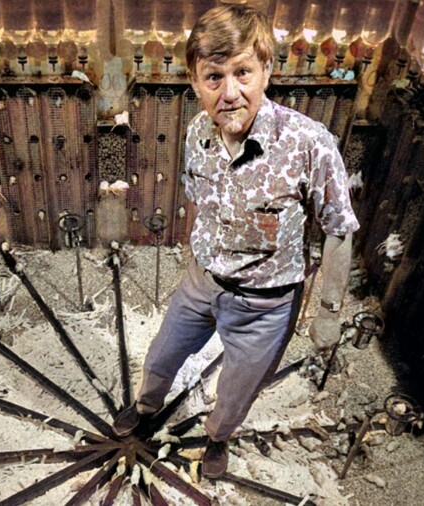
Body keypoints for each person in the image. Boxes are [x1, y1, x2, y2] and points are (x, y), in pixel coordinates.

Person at [112, 4, 359, 478]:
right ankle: (145, 410)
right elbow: (199, 198)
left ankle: (217, 438)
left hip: (265, 304)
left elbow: (339, 228)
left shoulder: (309, 143)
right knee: (161, 356)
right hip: (202, 283)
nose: (229, 93)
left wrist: (329, 312)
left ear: (266, 69)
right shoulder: (197, 133)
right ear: (194, 81)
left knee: (236, 391)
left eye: (243, 73)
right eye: (214, 77)